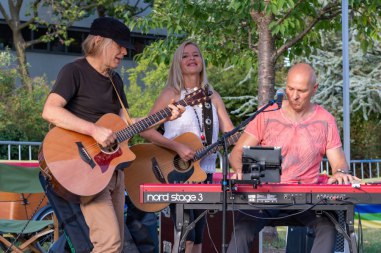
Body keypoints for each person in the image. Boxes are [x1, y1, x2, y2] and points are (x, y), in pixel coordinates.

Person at [41, 17, 184, 253]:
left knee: (114, 247)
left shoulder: (115, 80)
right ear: (99, 41)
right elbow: (50, 110)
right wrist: (93, 130)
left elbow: (126, 125)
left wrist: (165, 116)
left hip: (113, 171)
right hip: (86, 167)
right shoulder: (74, 71)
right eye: (119, 45)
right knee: (109, 243)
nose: (124, 51)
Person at [226, 63, 361, 253]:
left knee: (328, 227)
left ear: (314, 89)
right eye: (290, 88)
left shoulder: (326, 120)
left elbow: (339, 163)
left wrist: (340, 173)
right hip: (266, 194)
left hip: (307, 199)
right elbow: (236, 153)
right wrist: (241, 171)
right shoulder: (267, 115)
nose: (294, 95)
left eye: (301, 91)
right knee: (242, 229)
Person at [140, 41, 234, 253]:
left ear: (202, 61)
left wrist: (234, 139)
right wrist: (176, 146)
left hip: (205, 172)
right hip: (176, 172)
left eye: (196, 55)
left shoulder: (213, 96)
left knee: (199, 238)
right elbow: (146, 130)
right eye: (185, 56)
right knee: (186, 237)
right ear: (178, 63)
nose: (192, 59)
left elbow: (230, 133)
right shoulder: (171, 94)